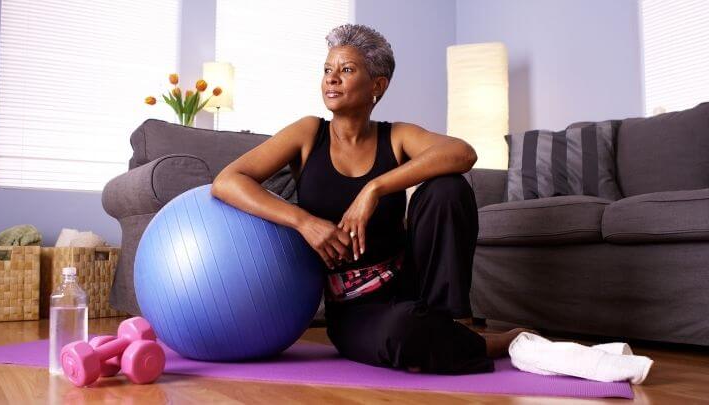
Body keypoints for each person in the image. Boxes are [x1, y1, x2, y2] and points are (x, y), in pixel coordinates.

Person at [211, 24, 531, 374]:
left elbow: (462, 153)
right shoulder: (308, 133)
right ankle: (486, 342)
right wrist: (303, 221)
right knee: (403, 334)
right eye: (327, 70)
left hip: (410, 281)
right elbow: (227, 181)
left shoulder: (396, 136)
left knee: (447, 188)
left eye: (346, 70)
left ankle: (450, 322)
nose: (332, 79)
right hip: (355, 308)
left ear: (377, 86)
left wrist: (374, 189)